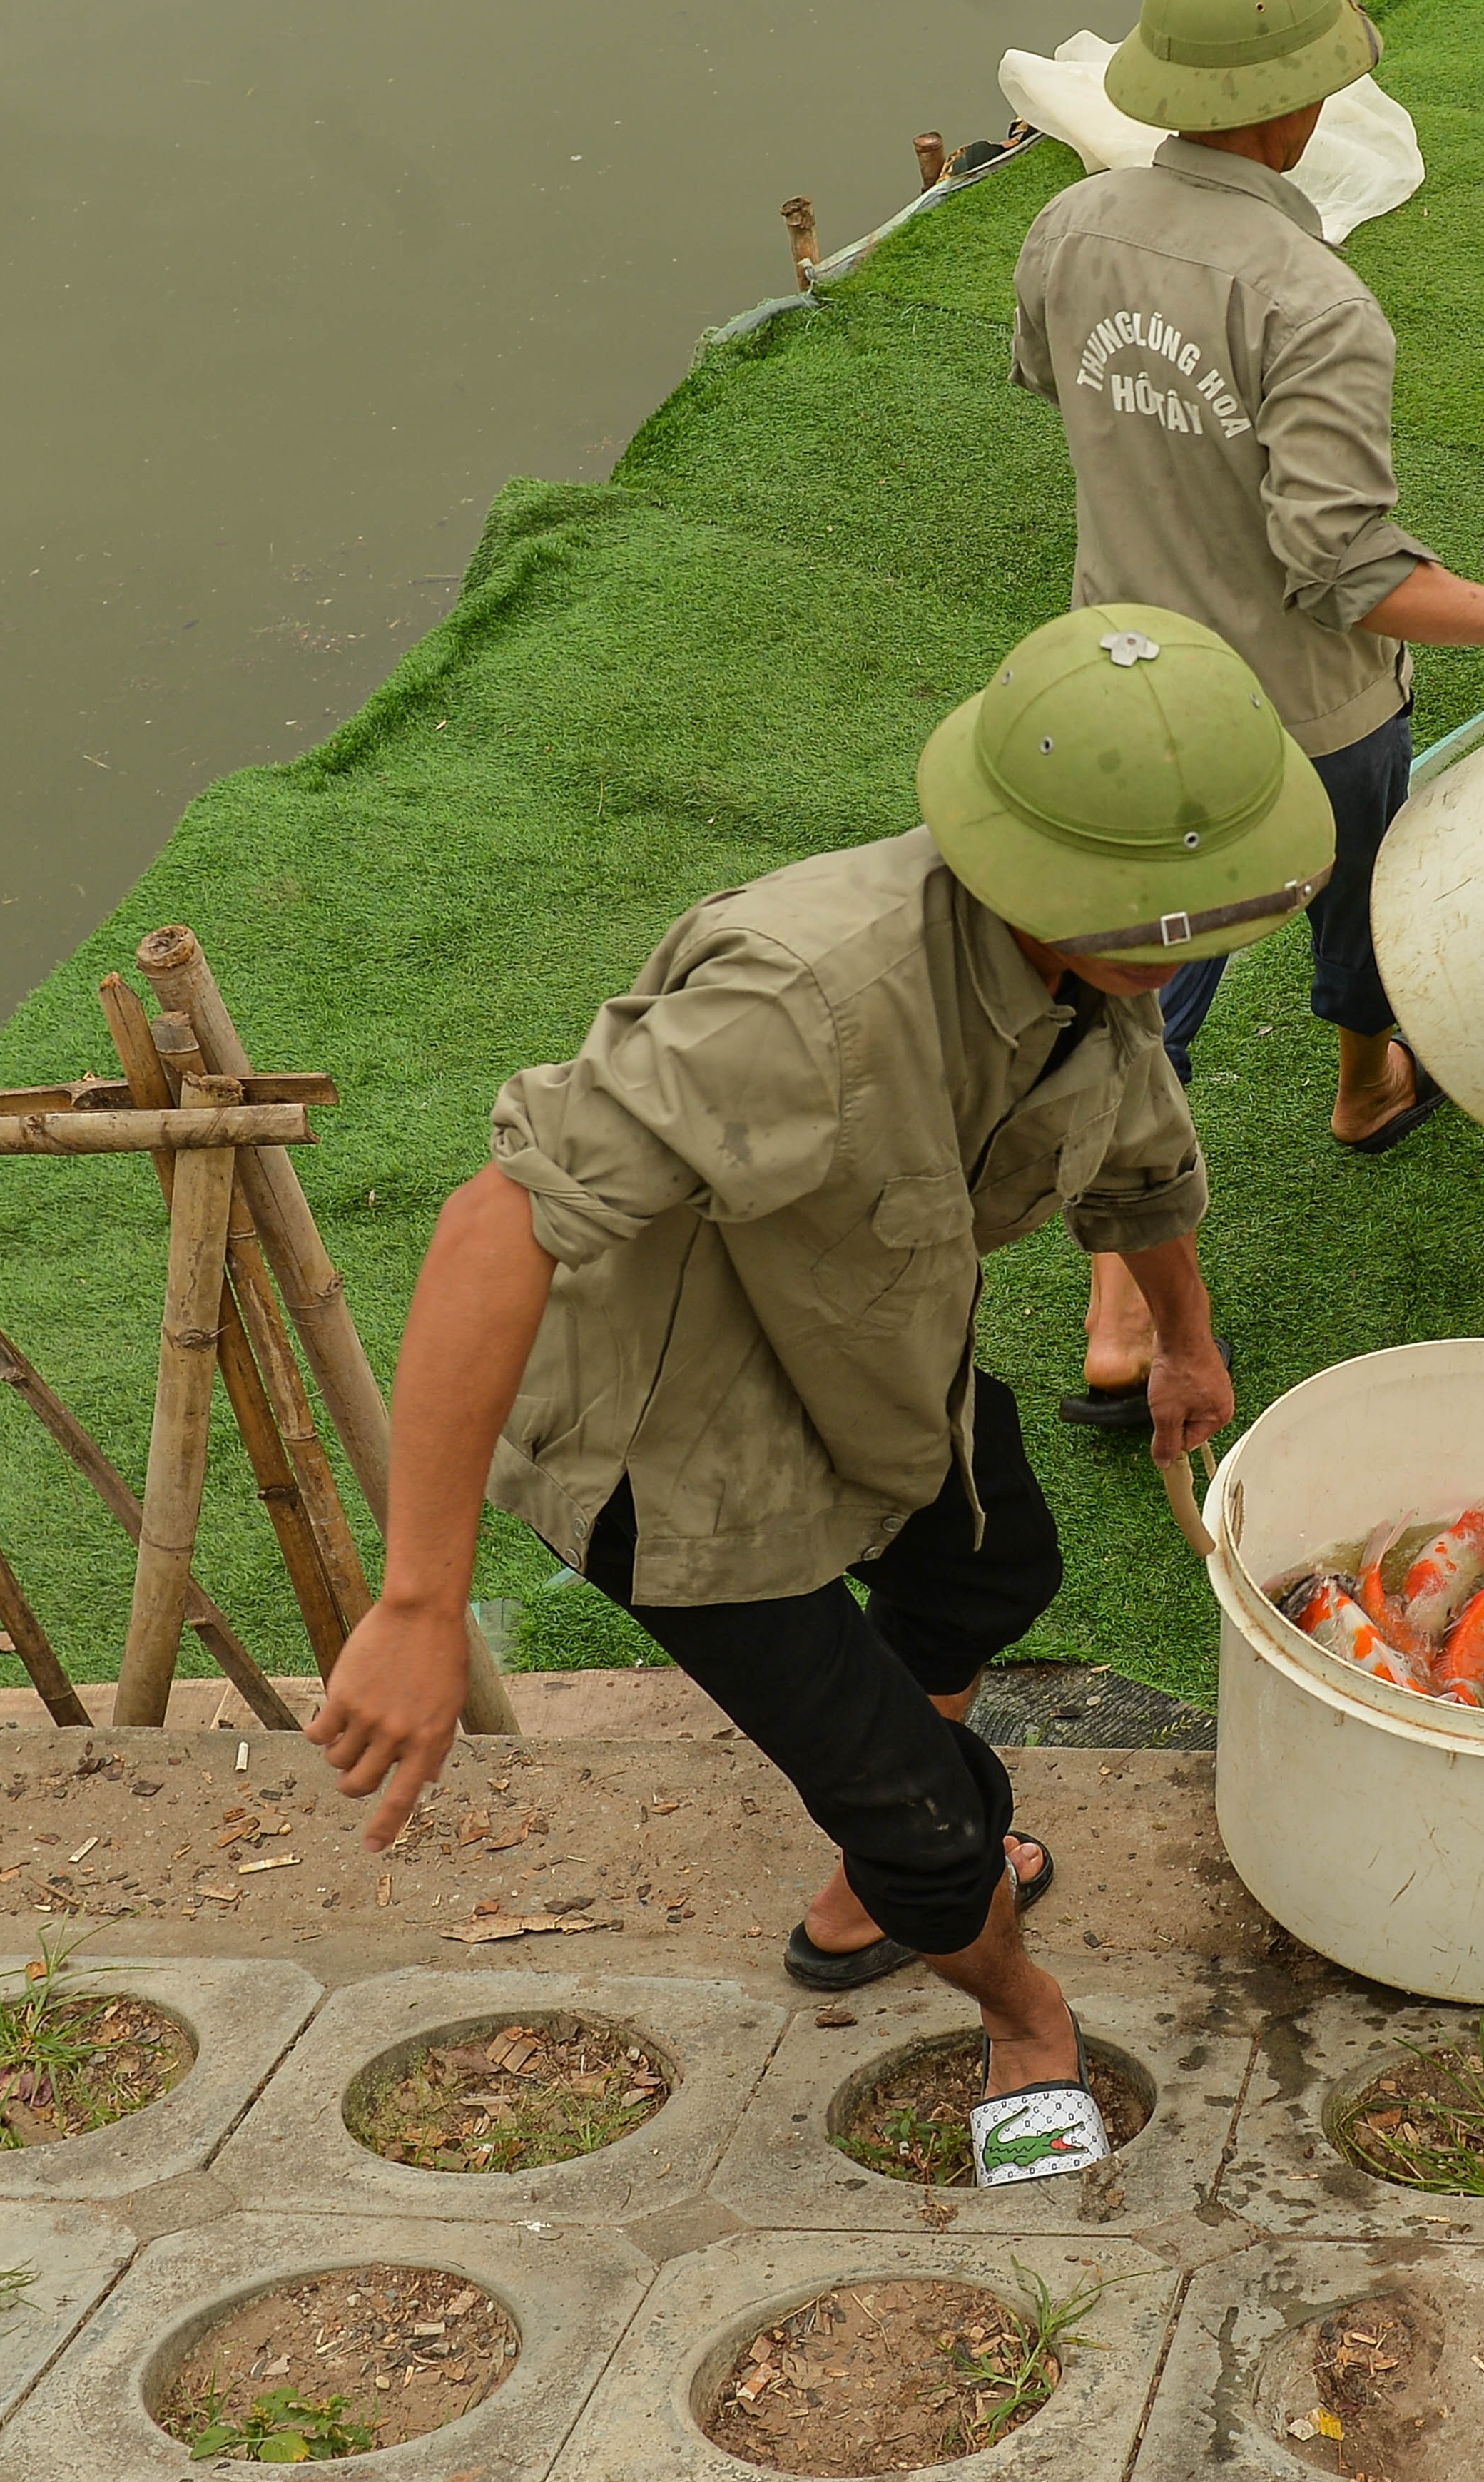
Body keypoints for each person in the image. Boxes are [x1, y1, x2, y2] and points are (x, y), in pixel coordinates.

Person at [310, 603, 1320, 2189]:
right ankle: (1012, 1989)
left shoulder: (1099, 959)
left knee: (999, 1567)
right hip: (687, 1454)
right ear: (1053, 876)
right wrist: (421, 1597)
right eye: (1186, 907)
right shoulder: (799, 996)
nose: (1214, 932)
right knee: (933, 1824)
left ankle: (885, 1862)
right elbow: (493, 1221)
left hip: (872, 1346)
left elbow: (1136, 1150)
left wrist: (1184, 1334)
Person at [1013, 0, 1484, 1430]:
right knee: (1369, 875)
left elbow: (1054, 380)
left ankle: (1120, 1301)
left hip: (1120, 681)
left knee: (1140, 985)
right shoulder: (1316, 302)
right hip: (1300, 713)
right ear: (1299, 107)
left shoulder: (1069, 228)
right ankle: (1366, 1082)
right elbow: (1347, 569)